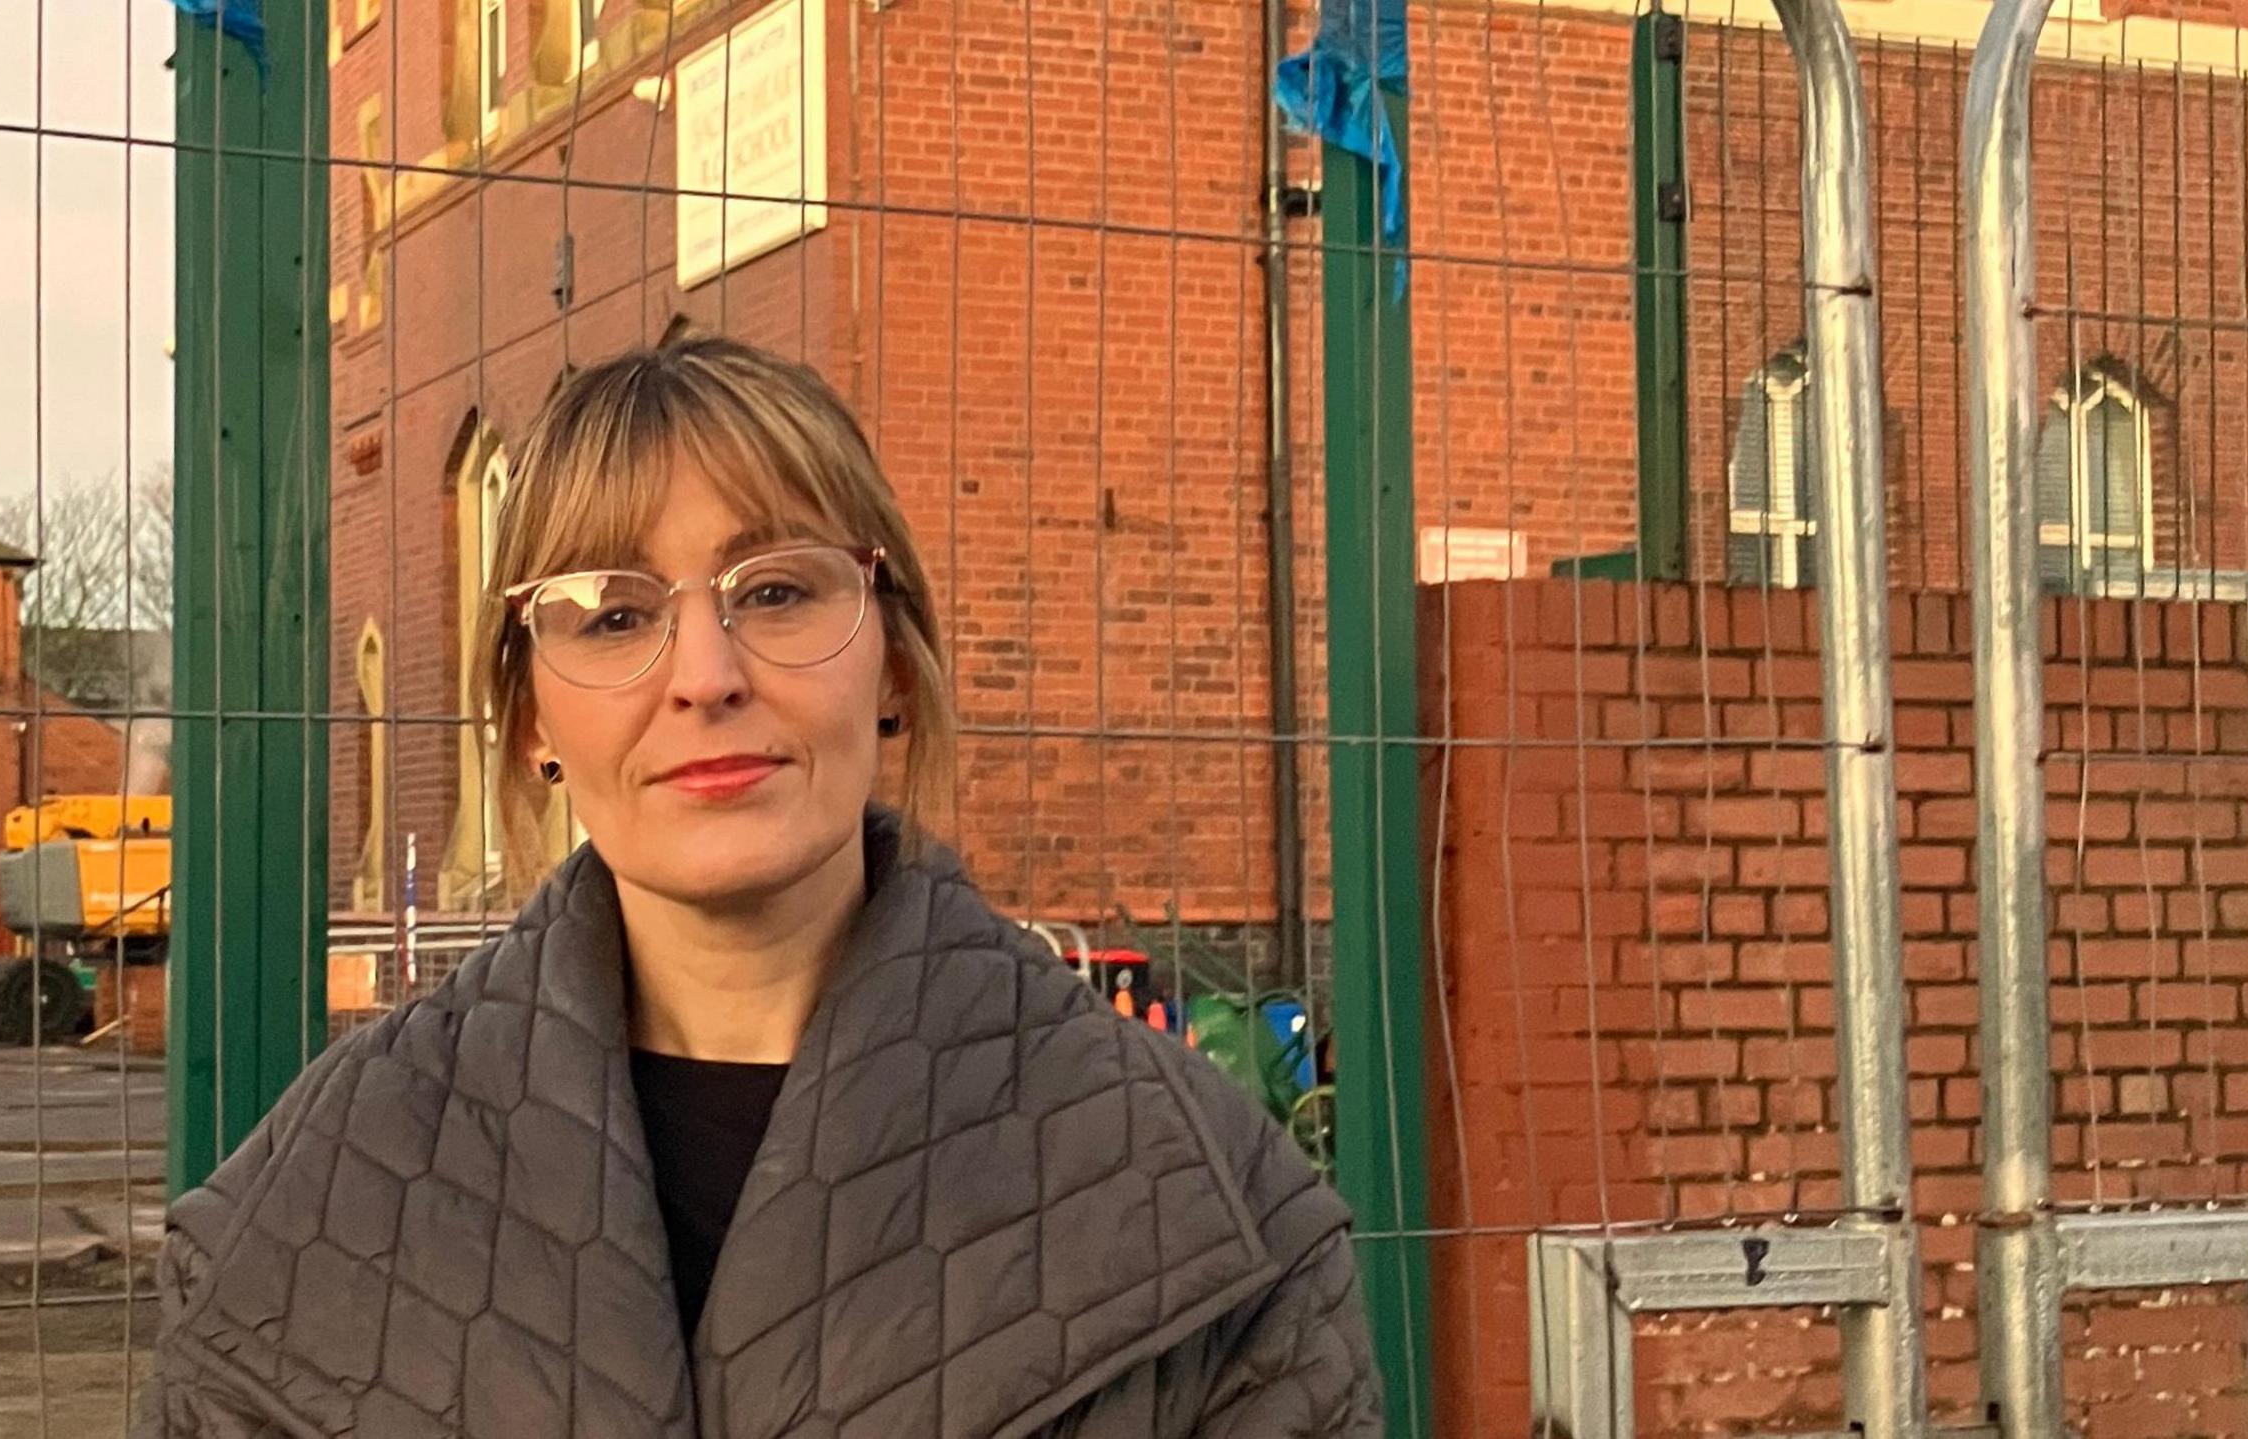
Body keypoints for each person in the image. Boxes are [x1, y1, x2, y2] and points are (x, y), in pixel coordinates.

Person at [144, 334, 1382, 1437]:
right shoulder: (305, 1219)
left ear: (893, 659)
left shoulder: (1213, 1216)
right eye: (611, 613)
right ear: (530, 714)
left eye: (776, 590)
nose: (704, 672)